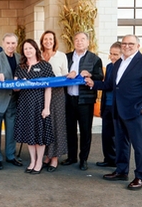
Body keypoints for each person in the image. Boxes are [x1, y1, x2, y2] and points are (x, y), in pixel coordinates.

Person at [85, 35, 142, 190]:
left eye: (131, 44)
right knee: (121, 143)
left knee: (138, 146)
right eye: (124, 43)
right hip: (118, 110)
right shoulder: (119, 63)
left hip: (135, 112)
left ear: (138, 46)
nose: (127, 46)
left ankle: (141, 176)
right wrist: (93, 83)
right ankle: (121, 171)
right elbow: (110, 85)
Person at [61, 32, 103, 171]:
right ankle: (72, 157)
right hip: (69, 99)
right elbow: (60, 75)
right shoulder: (66, 57)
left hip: (85, 100)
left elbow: (99, 77)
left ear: (88, 42)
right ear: (73, 42)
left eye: (82, 39)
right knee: (70, 129)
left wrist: (90, 75)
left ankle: (83, 159)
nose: (79, 42)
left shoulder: (94, 59)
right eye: (77, 39)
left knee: (85, 131)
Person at [14, 39, 55, 174]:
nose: (28, 51)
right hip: (25, 105)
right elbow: (15, 89)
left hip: (39, 104)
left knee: (39, 136)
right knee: (29, 136)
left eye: (30, 48)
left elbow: (49, 87)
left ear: (35, 49)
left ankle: (39, 162)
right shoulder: (21, 67)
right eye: (25, 49)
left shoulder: (45, 66)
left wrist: (46, 107)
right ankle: (32, 160)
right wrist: (19, 84)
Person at [0, 33, 22, 170]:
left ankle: (10, 155)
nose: (10, 46)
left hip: (13, 100)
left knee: (12, 130)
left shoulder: (20, 58)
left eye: (13, 43)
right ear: (3, 44)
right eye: (8, 43)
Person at [40, 30, 68, 172]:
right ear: (42, 41)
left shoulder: (61, 56)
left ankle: (55, 157)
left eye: (50, 39)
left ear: (54, 41)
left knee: (56, 124)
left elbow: (65, 76)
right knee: (44, 125)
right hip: (40, 94)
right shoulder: (39, 56)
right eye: (45, 39)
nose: (48, 42)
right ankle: (47, 155)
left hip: (57, 94)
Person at [95, 41, 121, 168]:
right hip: (107, 105)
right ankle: (109, 159)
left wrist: (93, 83)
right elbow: (106, 87)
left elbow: (109, 85)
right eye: (111, 54)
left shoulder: (122, 67)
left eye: (115, 54)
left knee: (116, 136)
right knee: (106, 134)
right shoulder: (109, 67)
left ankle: (117, 161)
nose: (112, 57)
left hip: (118, 106)